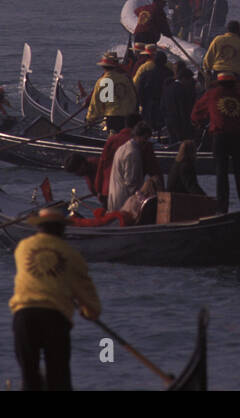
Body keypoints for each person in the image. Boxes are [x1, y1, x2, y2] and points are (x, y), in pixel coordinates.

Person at [10, 207, 101, 391]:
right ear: (62, 229)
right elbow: (89, 299)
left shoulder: (22, 248)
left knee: (29, 377)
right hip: (55, 319)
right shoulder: (72, 255)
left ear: (39, 227)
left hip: (24, 317)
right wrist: (88, 311)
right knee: (59, 379)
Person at [191, 71, 240, 213]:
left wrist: (200, 123)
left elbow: (195, 113)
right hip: (239, 138)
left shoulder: (212, 94)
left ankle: (222, 209)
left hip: (221, 138)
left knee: (221, 174)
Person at [85, 53, 136, 132]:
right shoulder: (125, 79)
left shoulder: (102, 81)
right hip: (127, 116)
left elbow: (96, 103)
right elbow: (133, 98)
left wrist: (90, 118)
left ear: (103, 66)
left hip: (112, 117)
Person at [108, 122, 152, 213]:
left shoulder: (122, 148)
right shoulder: (133, 153)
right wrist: (142, 199)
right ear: (138, 136)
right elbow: (131, 183)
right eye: (145, 138)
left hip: (115, 195)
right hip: (124, 200)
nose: (146, 141)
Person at [202, 20, 240, 84]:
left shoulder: (217, 39)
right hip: (234, 74)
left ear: (227, 29)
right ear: (238, 30)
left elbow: (209, 56)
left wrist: (207, 70)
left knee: (211, 92)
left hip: (217, 73)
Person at [133, 49, 171, 133]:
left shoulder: (145, 73)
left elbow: (139, 90)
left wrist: (141, 104)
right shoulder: (170, 74)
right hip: (165, 106)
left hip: (149, 106)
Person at [162, 62, 198, 145]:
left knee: (172, 144)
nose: (189, 82)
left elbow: (162, 106)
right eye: (189, 79)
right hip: (180, 123)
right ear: (184, 78)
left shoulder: (167, 88)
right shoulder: (182, 90)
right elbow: (183, 110)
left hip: (169, 121)